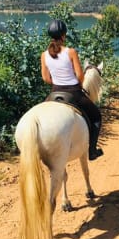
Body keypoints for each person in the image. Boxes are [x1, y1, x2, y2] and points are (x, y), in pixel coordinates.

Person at [41, 19, 103, 161]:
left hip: (54, 93)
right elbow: (80, 76)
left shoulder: (44, 55)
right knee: (96, 117)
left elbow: (45, 78)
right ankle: (92, 151)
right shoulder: (71, 52)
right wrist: (77, 85)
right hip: (73, 93)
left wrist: (57, 84)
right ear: (64, 36)